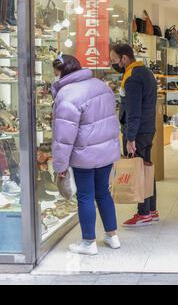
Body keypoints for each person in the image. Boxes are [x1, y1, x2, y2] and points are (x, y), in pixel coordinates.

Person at [51, 54, 121, 255]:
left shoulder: (67, 94)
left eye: (56, 73)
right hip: (105, 151)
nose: (55, 78)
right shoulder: (101, 86)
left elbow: (64, 137)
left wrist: (60, 165)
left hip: (84, 154)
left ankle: (88, 242)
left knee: (85, 196)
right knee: (103, 193)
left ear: (62, 72)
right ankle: (112, 236)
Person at [110, 43, 159, 226]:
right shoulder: (146, 72)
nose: (113, 63)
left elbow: (133, 111)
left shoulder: (132, 78)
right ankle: (151, 209)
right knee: (146, 170)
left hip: (138, 132)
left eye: (114, 59)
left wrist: (130, 137)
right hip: (147, 128)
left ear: (124, 58)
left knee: (139, 171)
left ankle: (143, 212)